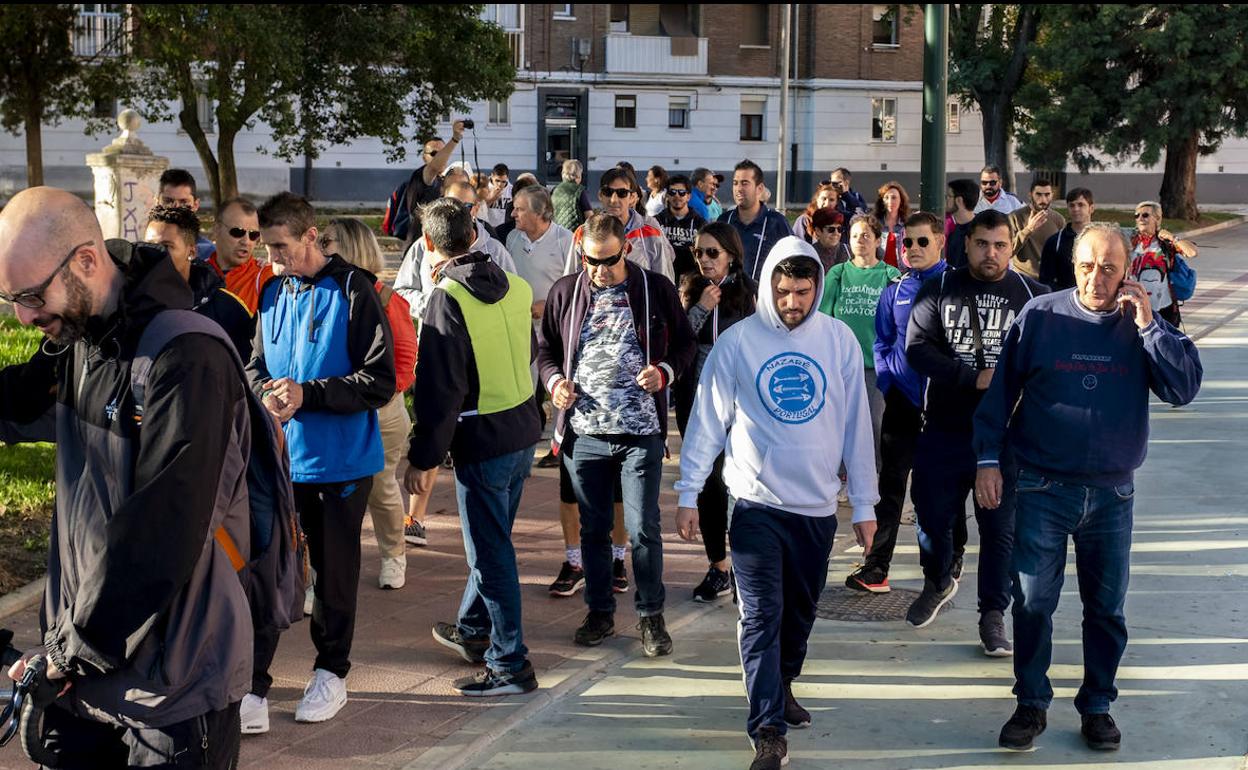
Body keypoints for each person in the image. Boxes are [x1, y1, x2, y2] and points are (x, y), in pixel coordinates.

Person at [0, 187, 251, 767]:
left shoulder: (186, 354)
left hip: (173, 680)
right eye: (12, 298)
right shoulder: (79, 337)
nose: (25, 316)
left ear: (87, 261)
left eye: (32, 295)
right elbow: (14, 401)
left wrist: (69, 653)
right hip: (87, 665)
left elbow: (162, 531)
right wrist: (70, 653)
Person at [973, 223, 1202, 752]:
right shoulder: (1042, 314)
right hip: (1041, 487)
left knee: (1106, 610)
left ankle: (1097, 705)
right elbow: (1000, 394)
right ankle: (1031, 704)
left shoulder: (1143, 319)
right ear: (1072, 266)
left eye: (1108, 267)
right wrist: (988, 461)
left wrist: (1149, 327)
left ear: (1125, 271)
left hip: (1111, 496)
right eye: (1086, 265)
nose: (1096, 278)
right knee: (1031, 604)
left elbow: (1183, 388)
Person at [675, 237, 879, 770]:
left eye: (804, 292)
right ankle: (766, 727)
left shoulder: (838, 342)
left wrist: (864, 504)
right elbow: (707, 420)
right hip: (755, 504)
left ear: (817, 287)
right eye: (784, 291)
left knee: (800, 614)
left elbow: (858, 427)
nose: (793, 302)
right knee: (760, 615)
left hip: (815, 508)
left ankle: (783, 682)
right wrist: (688, 491)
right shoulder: (738, 343)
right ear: (768, 285)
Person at [245, 192, 395, 726]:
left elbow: (380, 381)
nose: (272, 258)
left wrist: (310, 393)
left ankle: (331, 673)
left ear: (311, 236)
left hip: (341, 464)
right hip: (280, 462)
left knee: (333, 576)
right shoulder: (270, 291)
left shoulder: (356, 290)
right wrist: (265, 393)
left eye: (280, 247)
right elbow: (255, 364)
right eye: (267, 248)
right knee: (264, 571)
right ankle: (254, 685)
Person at [538, 213, 695, 655]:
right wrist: (554, 383)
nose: (600, 270)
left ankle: (651, 617)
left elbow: (684, 344)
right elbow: (547, 348)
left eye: (608, 260)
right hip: (584, 433)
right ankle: (600, 612)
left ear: (626, 248)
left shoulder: (653, 288)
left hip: (640, 431)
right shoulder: (567, 291)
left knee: (643, 528)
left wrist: (664, 371)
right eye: (591, 260)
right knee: (593, 528)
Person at [404, 197, 543, 696]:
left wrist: (422, 459)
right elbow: (525, 352)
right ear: (475, 235)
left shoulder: (447, 297)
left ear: (428, 244)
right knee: (494, 544)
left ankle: (510, 665)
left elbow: (439, 390)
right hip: (521, 430)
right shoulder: (516, 284)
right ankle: (474, 629)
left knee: (491, 556)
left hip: (483, 441)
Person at [904, 209, 1047, 653]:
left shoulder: (1031, 296)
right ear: (965, 244)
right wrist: (972, 377)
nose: (991, 253)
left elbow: (1046, 360)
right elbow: (916, 350)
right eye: (983, 243)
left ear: (1012, 248)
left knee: (999, 529)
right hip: (945, 427)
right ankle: (939, 576)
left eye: (1001, 245)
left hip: (1004, 438)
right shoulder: (940, 288)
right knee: (930, 516)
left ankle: (992, 615)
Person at [845, 211, 949, 594]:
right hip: (902, 404)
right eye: (907, 242)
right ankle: (876, 567)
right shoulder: (896, 288)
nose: (914, 248)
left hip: (944, 406)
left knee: (938, 490)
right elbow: (883, 340)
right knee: (890, 486)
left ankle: (943, 565)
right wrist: (889, 383)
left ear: (940, 242)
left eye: (923, 241)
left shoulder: (954, 284)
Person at [319, 217, 417, 591]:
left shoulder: (387, 298)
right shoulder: (323, 291)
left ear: (349, 248)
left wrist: (384, 391)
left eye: (328, 242)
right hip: (333, 407)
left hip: (380, 410)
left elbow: (407, 357)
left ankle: (394, 556)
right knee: (327, 492)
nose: (320, 248)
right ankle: (322, 572)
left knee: (380, 486)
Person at [673, 222, 757, 602]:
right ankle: (718, 565)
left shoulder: (749, 292)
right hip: (698, 396)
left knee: (738, 482)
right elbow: (679, 344)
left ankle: (744, 566)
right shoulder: (691, 290)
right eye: (699, 253)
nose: (705, 261)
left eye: (712, 253)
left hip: (741, 401)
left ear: (731, 255)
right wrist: (701, 309)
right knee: (706, 482)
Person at [819, 214, 900, 466]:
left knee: (873, 422)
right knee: (841, 422)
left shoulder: (890, 274)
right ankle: (842, 473)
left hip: (875, 365)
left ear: (877, 239)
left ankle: (871, 473)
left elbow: (900, 322)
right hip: (842, 363)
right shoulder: (838, 273)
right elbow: (823, 317)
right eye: (854, 236)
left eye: (866, 235)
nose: (859, 241)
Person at [144, 203, 255, 360]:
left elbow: (246, 371)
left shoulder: (226, 308)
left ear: (192, 251)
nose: (154, 253)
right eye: (149, 245)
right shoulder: (130, 303)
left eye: (166, 246)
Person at [395, 179, 517, 319]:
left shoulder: (495, 250)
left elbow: (512, 297)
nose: (457, 213)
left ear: (476, 208)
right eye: (451, 205)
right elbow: (401, 291)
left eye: (466, 206)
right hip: (435, 335)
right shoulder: (423, 245)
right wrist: (435, 305)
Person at [563, 167, 676, 282]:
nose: (613, 199)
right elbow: (571, 282)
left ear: (632, 198)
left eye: (622, 193)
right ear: (600, 195)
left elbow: (664, 283)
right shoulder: (584, 233)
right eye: (608, 192)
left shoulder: (650, 233)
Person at [1128, 200, 1198, 328]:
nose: (1140, 219)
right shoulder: (1130, 241)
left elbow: (1192, 252)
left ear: (1157, 219)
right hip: (1134, 306)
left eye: (1145, 215)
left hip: (1163, 307)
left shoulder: (1165, 243)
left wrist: (1173, 238)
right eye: (1137, 216)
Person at [719, 159, 791, 283]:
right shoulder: (724, 221)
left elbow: (790, 260)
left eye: (745, 183)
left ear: (759, 188)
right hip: (727, 296)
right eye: (735, 183)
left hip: (761, 297)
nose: (738, 189)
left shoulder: (776, 222)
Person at [400, 122, 466, 250]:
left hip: (443, 246)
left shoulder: (448, 179)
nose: (440, 156)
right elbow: (433, 167)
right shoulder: (422, 175)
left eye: (443, 152)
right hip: (421, 245)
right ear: (424, 157)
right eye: (434, 153)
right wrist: (455, 139)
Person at [208, 197, 276, 314]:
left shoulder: (266, 277)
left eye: (253, 235)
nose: (246, 241)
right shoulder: (195, 273)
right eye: (238, 232)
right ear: (216, 230)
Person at [1008, 179, 1066, 280]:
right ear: (1030, 195)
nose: (1043, 199)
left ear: (1052, 195)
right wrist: (1029, 229)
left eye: (1047, 195)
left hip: (1050, 280)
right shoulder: (1015, 217)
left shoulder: (1058, 219)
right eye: (1038, 194)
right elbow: (1007, 251)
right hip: (1024, 278)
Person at [1039, 187, 1095, 291]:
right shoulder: (1055, 242)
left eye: (1081, 205)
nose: (1076, 209)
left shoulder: (1101, 240)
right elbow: (1046, 280)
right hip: (1065, 299)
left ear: (1091, 208)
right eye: (1072, 205)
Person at [656, 174, 707, 280]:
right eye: (672, 192)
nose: (677, 196)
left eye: (682, 193)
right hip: (663, 279)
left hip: (692, 282)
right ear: (667, 196)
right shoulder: (656, 222)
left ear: (688, 196)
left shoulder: (700, 224)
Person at [157, 168, 215, 260]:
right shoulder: (145, 250)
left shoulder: (209, 254)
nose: (175, 207)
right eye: (168, 201)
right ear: (157, 202)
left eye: (183, 202)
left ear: (195, 205)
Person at [871, 181, 910, 268]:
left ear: (901, 201)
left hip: (902, 274)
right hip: (879, 272)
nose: (890, 201)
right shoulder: (875, 224)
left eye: (894, 197)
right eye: (886, 198)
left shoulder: (908, 225)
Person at [552, 159, 594, 233]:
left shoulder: (555, 190)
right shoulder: (579, 191)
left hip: (557, 232)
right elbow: (589, 216)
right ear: (578, 175)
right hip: (575, 233)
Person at [945, 179, 979, 269]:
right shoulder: (954, 231)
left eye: (948, 196)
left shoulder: (978, 231)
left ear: (959, 200)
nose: (946, 200)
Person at [483, 163, 513, 230]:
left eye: (503, 182)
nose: (500, 184)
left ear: (507, 178)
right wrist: (491, 199)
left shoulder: (511, 190)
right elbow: (478, 210)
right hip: (486, 227)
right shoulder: (483, 187)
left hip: (504, 228)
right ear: (492, 176)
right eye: (497, 181)